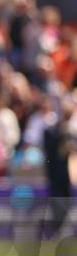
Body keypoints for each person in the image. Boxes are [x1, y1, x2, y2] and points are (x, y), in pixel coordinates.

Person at [42, 99, 76, 238]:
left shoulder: (70, 132)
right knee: (57, 205)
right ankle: (56, 233)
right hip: (55, 175)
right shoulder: (52, 130)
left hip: (65, 177)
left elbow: (71, 150)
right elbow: (49, 155)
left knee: (65, 205)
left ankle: (61, 233)